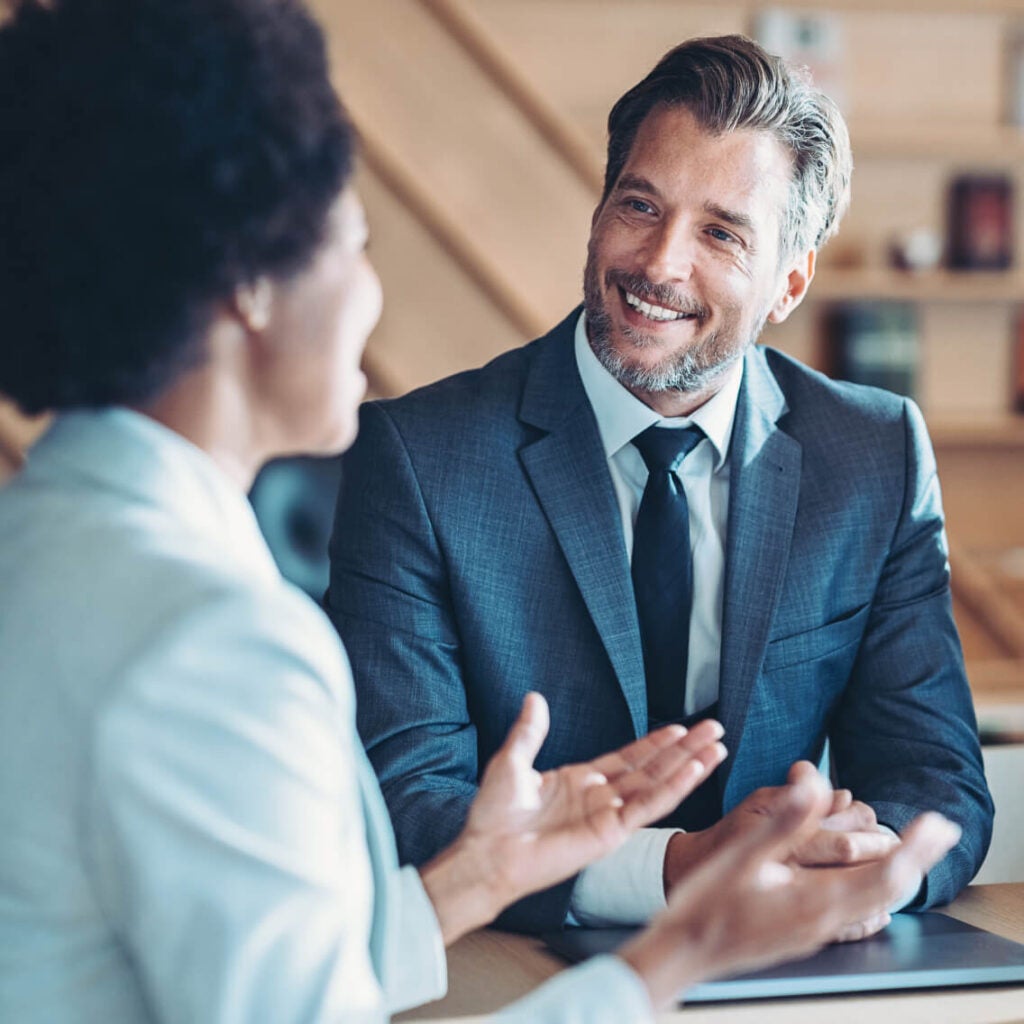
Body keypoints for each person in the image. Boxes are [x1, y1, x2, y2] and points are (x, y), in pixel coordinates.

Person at [0, 2, 962, 1022]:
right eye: (355, 242)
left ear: (787, 280)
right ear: (250, 283)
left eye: (722, 231)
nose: (370, 299)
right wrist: (681, 950)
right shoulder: (214, 641)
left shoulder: (46, 542)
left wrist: (482, 871)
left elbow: (275, 964)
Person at [328, 34, 994, 933]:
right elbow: (405, 802)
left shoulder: (873, 454)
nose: (660, 264)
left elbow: (936, 776)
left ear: (788, 283)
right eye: (640, 205)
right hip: (511, 967)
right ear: (600, 209)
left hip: (794, 966)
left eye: (721, 232)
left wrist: (863, 868)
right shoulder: (420, 458)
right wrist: (679, 870)